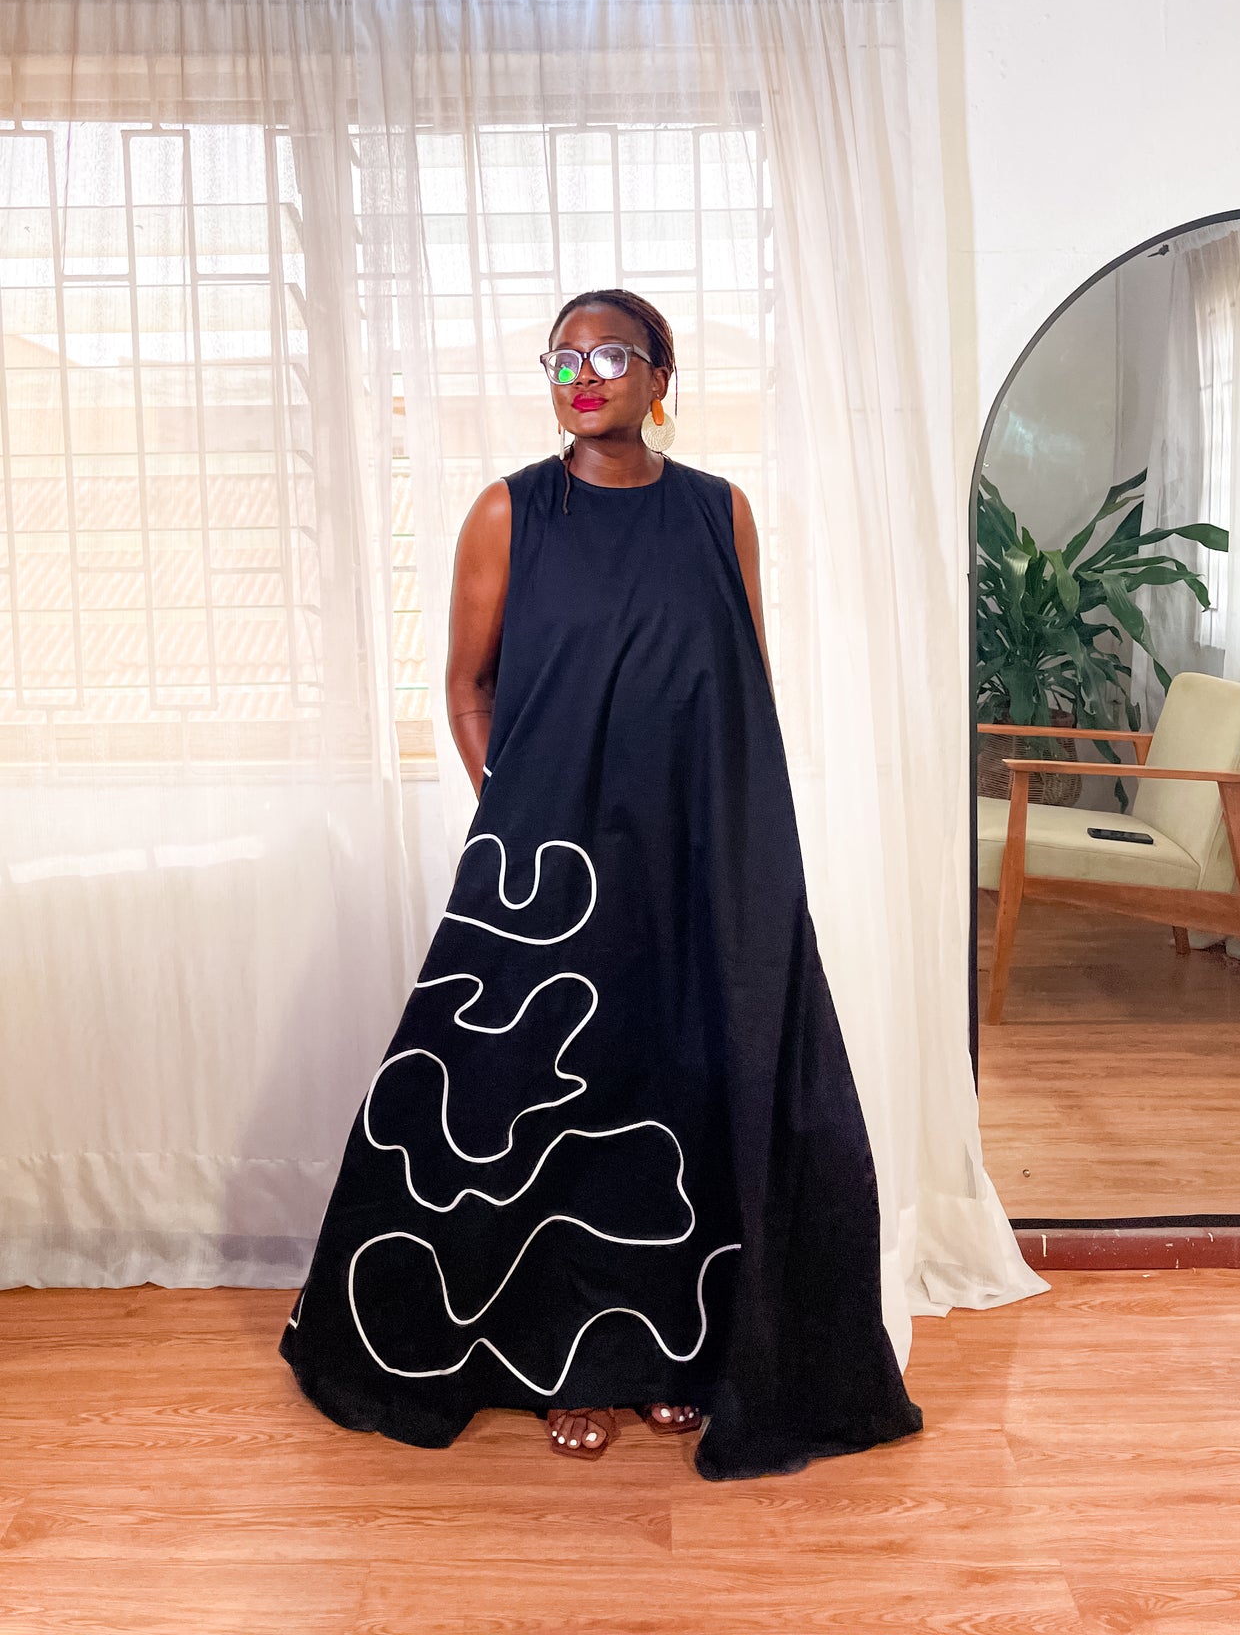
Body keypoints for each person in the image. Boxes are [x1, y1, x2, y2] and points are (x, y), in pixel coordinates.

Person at [279, 288, 921, 1479]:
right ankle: (565, 1364)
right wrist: (523, 822)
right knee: (542, 1100)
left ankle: (670, 1349)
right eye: (562, 358)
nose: (583, 374)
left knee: (680, 1093)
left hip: (696, 857)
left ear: (660, 375)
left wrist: (747, 853)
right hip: (553, 871)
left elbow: (743, 686)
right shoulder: (509, 511)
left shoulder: (719, 512)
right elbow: (468, 686)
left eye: (611, 353)